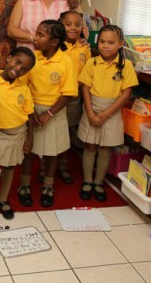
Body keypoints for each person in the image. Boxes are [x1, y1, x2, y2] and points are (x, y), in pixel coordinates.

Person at [18, 20, 78, 207]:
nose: (35, 38)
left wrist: (49, 114)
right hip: (32, 111)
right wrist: (32, 111)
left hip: (55, 113)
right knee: (29, 150)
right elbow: (23, 86)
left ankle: (48, 185)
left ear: (54, 42)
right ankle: (24, 184)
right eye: (36, 33)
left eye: (40, 35)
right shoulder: (32, 58)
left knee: (53, 152)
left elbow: (68, 93)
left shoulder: (66, 61)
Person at [77, 25, 138, 201]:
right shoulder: (92, 62)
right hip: (91, 108)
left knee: (105, 148)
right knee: (90, 146)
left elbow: (126, 94)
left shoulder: (126, 65)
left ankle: (98, 182)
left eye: (111, 42)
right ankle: (87, 180)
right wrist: (90, 113)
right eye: (102, 41)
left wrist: (106, 114)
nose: (105, 46)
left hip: (112, 112)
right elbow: (85, 89)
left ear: (120, 44)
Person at [0, 47, 35, 220]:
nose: (18, 69)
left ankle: (3, 199)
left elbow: (29, 116)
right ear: (8, 57)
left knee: (10, 167)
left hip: (18, 134)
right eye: (17, 62)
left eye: (24, 69)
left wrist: (30, 139)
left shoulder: (23, 87)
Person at [57, 10, 91, 184]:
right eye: (68, 24)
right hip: (55, 96)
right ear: (60, 25)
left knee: (67, 133)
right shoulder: (55, 45)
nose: (73, 28)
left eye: (78, 25)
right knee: (51, 132)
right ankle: (45, 166)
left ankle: (63, 166)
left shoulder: (84, 48)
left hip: (74, 98)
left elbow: (86, 75)